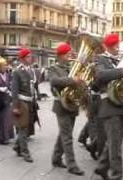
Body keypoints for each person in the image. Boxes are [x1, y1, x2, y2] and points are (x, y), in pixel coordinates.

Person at [93, 33, 123, 180]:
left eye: (118, 45)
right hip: (109, 105)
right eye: (115, 46)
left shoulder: (120, 60)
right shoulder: (100, 59)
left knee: (115, 142)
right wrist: (121, 71)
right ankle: (117, 175)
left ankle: (102, 167)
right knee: (115, 146)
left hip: (122, 104)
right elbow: (100, 76)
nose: (117, 48)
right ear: (107, 46)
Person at [49, 43, 85, 175]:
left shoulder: (72, 68)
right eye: (67, 54)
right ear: (60, 56)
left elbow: (78, 83)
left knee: (64, 134)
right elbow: (54, 81)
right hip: (61, 106)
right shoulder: (53, 68)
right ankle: (72, 165)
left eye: (70, 54)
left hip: (72, 105)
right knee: (67, 136)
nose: (70, 56)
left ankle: (56, 158)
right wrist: (72, 80)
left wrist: (81, 81)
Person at [11, 48, 36, 163]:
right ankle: (25, 152)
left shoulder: (31, 71)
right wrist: (15, 107)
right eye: (28, 56)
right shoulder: (17, 71)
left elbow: (33, 87)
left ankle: (17, 146)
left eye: (30, 56)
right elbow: (14, 90)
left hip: (30, 102)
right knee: (23, 128)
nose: (30, 58)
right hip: (21, 102)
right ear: (22, 59)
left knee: (26, 127)